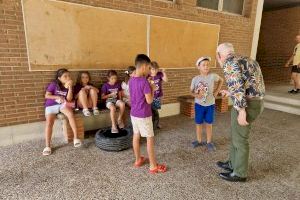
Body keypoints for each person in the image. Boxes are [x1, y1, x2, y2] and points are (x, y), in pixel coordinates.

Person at [216, 43, 265, 182]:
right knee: (235, 135)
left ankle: (240, 173)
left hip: (246, 105)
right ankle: (232, 163)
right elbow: (250, 84)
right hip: (255, 102)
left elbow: (238, 88)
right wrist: (230, 92)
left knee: (240, 139)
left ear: (219, 55)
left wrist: (242, 111)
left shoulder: (229, 63)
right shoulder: (247, 59)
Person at [129, 54, 167, 174]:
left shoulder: (131, 80)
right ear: (144, 66)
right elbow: (149, 100)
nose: (149, 70)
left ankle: (137, 160)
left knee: (136, 135)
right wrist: (151, 88)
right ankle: (152, 166)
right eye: (149, 68)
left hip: (134, 114)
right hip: (144, 115)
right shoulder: (144, 82)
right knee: (149, 139)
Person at [43, 68, 82, 156]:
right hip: (51, 105)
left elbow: (68, 99)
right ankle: (47, 146)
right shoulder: (54, 84)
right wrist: (57, 97)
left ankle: (76, 138)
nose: (68, 78)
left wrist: (70, 87)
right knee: (49, 122)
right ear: (59, 78)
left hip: (62, 105)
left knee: (70, 114)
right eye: (65, 76)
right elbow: (47, 95)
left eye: (69, 76)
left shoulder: (69, 85)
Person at [190, 56, 224, 152]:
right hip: (199, 105)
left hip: (210, 105)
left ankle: (209, 142)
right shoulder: (195, 79)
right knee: (199, 123)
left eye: (207, 65)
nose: (206, 66)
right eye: (203, 65)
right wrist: (196, 95)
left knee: (209, 124)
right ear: (198, 67)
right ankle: (199, 140)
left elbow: (221, 80)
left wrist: (217, 91)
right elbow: (191, 91)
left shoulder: (213, 76)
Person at [148, 61, 168, 129]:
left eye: (156, 69)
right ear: (150, 69)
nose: (155, 71)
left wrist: (164, 72)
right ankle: (152, 124)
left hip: (157, 96)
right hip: (150, 96)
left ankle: (156, 124)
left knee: (155, 110)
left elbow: (166, 80)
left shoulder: (159, 74)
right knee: (151, 110)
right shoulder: (148, 76)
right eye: (153, 69)